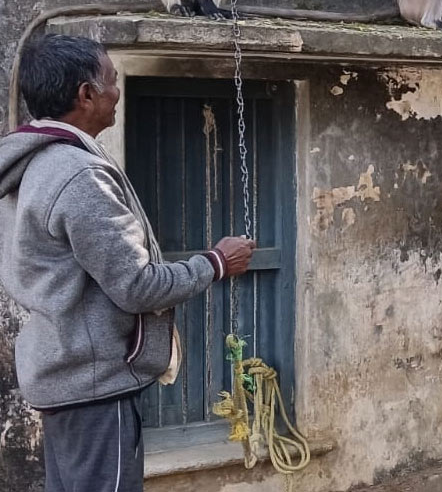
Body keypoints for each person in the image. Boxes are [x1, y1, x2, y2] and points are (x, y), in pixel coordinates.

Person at [0, 34, 255, 492]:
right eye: (112, 81)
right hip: (93, 388)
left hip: (66, 375)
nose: (117, 92)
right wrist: (216, 262)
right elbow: (137, 287)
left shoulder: (36, 164)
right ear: (86, 94)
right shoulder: (78, 174)